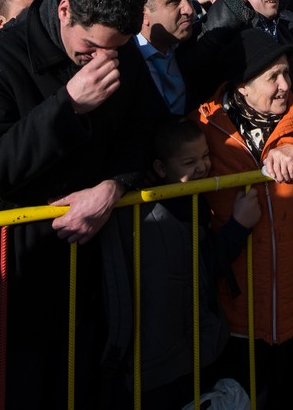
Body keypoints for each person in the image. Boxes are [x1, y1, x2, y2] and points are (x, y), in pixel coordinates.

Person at [0, 0, 153, 409]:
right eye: (89, 48)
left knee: (84, 385)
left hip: (93, 265)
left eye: (115, 50)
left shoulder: (120, 50)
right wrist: (66, 108)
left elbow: (141, 129)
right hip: (15, 267)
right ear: (64, 10)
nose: (103, 60)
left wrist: (113, 186)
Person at [200, 29, 293, 410]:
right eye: (272, 77)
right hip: (235, 313)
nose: (284, 85)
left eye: (286, 73)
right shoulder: (206, 129)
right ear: (241, 87)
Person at [101, 119, 239, 410]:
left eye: (205, 156)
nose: (202, 167)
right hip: (162, 359)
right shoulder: (149, 215)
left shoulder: (195, 199)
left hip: (186, 349)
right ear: (161, 168)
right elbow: (201, 265)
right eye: (190, 162)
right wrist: (239, 228)